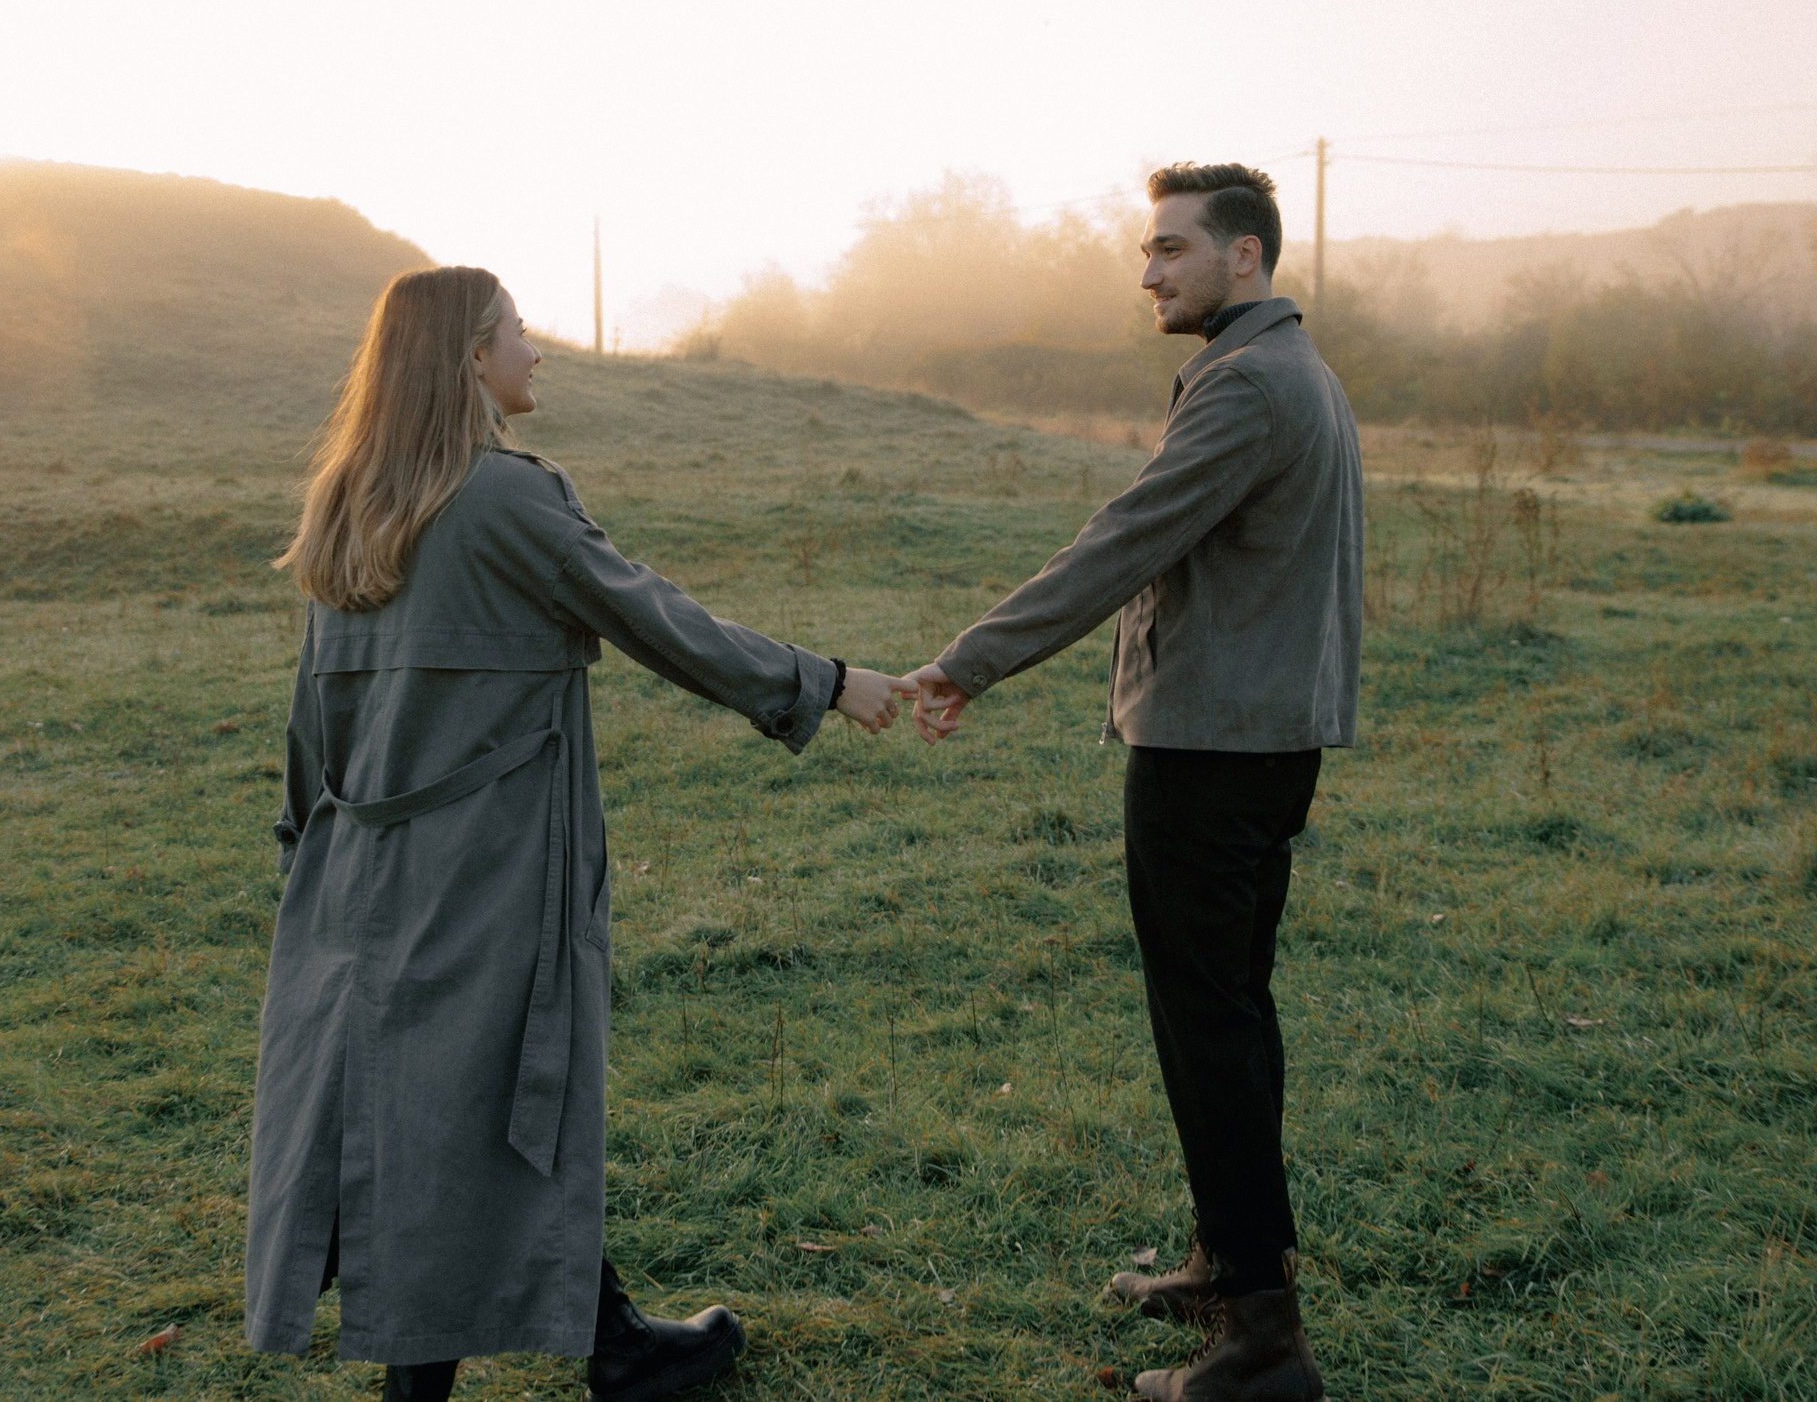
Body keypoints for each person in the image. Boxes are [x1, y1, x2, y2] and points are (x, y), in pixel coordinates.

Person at [246, 264, 910, 1402]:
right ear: (471, 356)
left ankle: (614, 1340)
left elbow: (314, 709)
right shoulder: (503, 499)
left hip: (355, 871)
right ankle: (487, 1375)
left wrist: (303, 848)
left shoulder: (349, 498)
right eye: (518, 330)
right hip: (486, 870)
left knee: (456, 1098)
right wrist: (828, 683)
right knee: (471, 1103)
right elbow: (655, 617)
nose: (536, 349)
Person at [904, 163, 1360, 1402]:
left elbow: (1124, 537)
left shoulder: (1247, 386)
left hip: (1212, 752)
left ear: (1244, 256)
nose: (1146, 272)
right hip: (1262, 741)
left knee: (1207, 1027)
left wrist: (969, 661)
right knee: (1228, 1013)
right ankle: (1228, 1263)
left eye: (1169, 248)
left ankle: (1261, 1343)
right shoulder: (1292, 369)